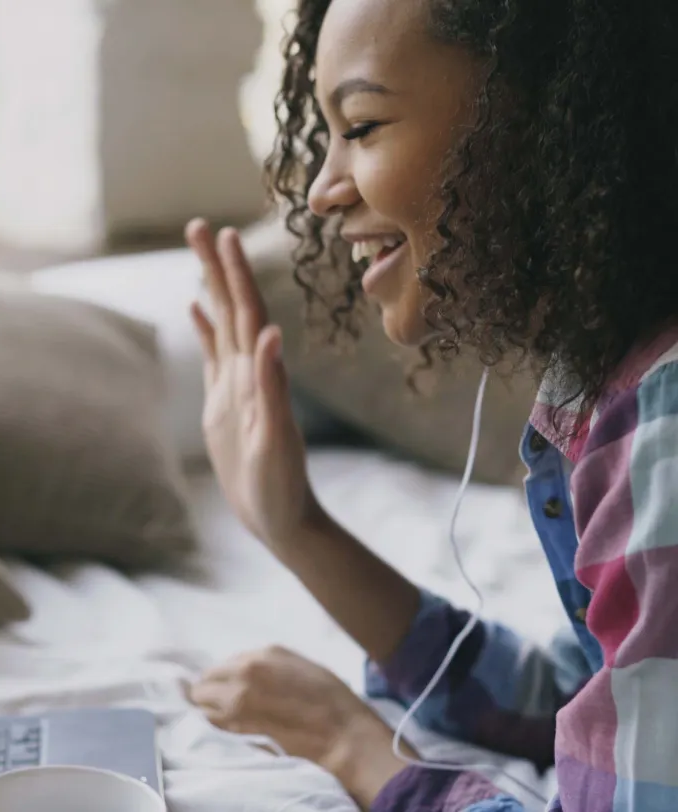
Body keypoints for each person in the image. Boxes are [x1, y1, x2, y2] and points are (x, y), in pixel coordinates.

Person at [183, 0, 678, 810]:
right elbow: (578, 686)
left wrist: (362, 751)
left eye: (364, 125)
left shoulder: (664, 420)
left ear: (535, 114)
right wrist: (295, 527)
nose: (319, 191)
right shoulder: (618, 379)